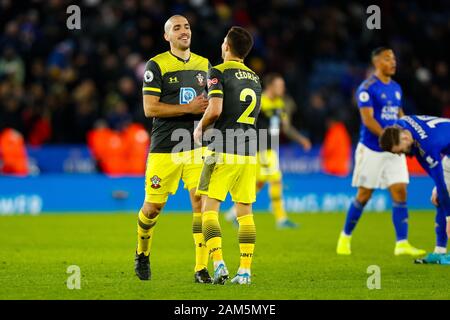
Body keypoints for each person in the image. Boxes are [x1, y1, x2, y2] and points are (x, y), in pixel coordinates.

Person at [134, 15, 211, 283]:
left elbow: (213, 105)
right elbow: (149, 108)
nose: (183, 31)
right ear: (167, 36)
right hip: (164, 148)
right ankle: (142, 252)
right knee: (153, 208)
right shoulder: (156, 65)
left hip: (195, 147)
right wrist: (188, 109)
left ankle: (201, 268)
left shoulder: (205, 65)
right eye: (176, 28)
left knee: (200, 204)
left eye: (187, 26)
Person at [336, 47, 425, 256]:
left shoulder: (396, 87)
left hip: (394, 151)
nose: (393, 62)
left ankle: (402, 243)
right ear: (377, 62)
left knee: (400, 190)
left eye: (394, 58)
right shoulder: (367, 88)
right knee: (364, 195)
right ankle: (345, 237)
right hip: (372, 149)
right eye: (387, 58)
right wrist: (391, 138)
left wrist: (406, 132)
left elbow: (399, 113)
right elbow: (368, 120)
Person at [193, 26, 261, 285]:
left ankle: (219, 263)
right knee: (245, 212)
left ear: (227, 47)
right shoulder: (255, 78)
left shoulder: (218, 72)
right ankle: (245, 271)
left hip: (222, 148)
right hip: (248, 150)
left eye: (223, 41)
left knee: (209, 210)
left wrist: (200, 127)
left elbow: (215, 109)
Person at [226, 73, 311, 228]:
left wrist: (300, 139)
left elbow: (285, 127)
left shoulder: (280, 104)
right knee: (275, 180)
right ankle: (281, 219)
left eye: (283, 85)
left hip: (269, 146)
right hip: (260, 147)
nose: (282, 88)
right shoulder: (259, 101)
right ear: (270, 86)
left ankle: (233, 214)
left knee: (257, 184)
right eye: (279, 85)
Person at [379, 115, 450, 263]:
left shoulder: (429, 145)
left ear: (404, 138)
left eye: (399, 150)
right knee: (440, 199)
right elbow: (418, 154)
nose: (399, 154)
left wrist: (449, 218)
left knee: (444, 197)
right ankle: (440, 252)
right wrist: (438, 187)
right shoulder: (401, 124)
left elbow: (440, 182)